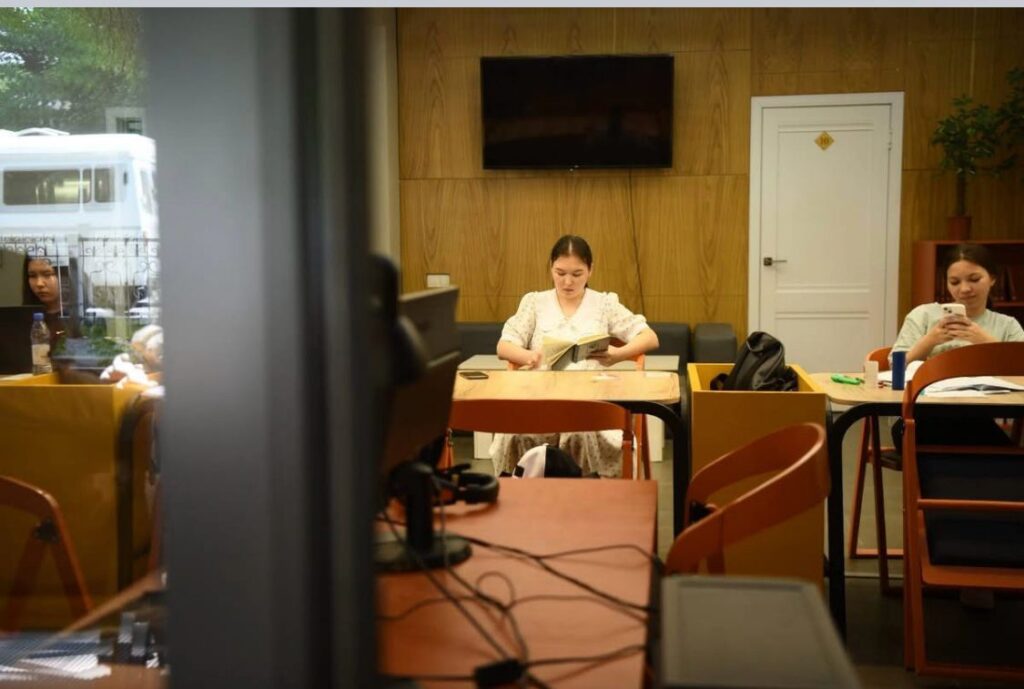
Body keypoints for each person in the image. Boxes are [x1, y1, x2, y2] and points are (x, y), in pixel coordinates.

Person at [491, 234, 659, 477]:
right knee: (520, 433)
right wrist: (530, 356)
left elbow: (649, 337)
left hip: (590, 400)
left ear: (590, 270)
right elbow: (504, 346)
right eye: (560, 273)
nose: (567, 282)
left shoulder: (604, 303)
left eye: (577, 274)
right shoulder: (535, 303)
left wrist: (618, 354)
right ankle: (525, 494)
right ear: (551, 267)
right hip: (541, 398)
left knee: (580, 433)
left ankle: (585, 495)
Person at [890, 242, 1024, 447]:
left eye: (974, 279)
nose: (964, 289)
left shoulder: (1006, 324)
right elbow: (896, 366)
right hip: (925, 412)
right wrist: (930, 340)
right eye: (954, 282)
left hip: (978, 414)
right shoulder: (923, 315)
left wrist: (986, 342)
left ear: (992, 279)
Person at [23, 254, 82, 347]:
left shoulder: (88, 319)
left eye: (47, 274)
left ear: (66, 276)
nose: (39, 283)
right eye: (33, 276)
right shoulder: (23, 320)